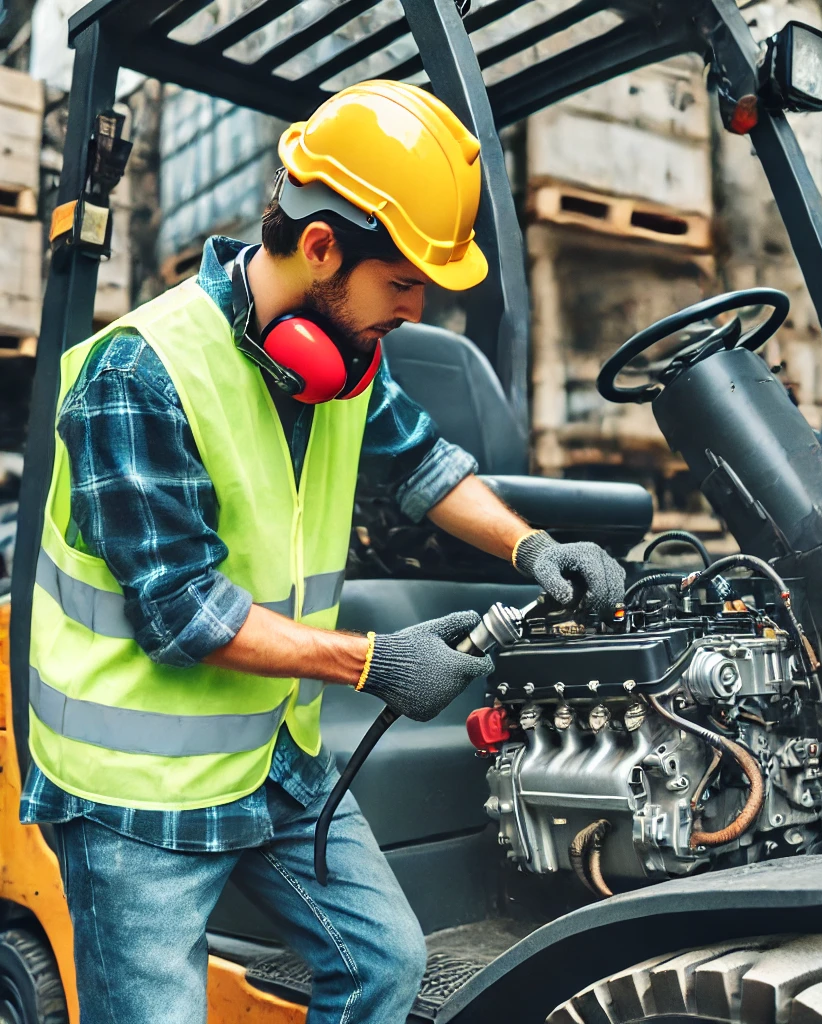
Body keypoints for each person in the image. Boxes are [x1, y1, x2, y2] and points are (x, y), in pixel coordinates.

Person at [22, 81, 624, 1024]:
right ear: (320, 247)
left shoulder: (342, 363)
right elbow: (185, 611)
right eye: (403, 282)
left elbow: (424, 465)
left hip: (274, 757)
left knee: (384, 966)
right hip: (138, 797)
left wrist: (532, 545)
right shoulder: (137, 375)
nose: (415, 309)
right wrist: (377, 662)